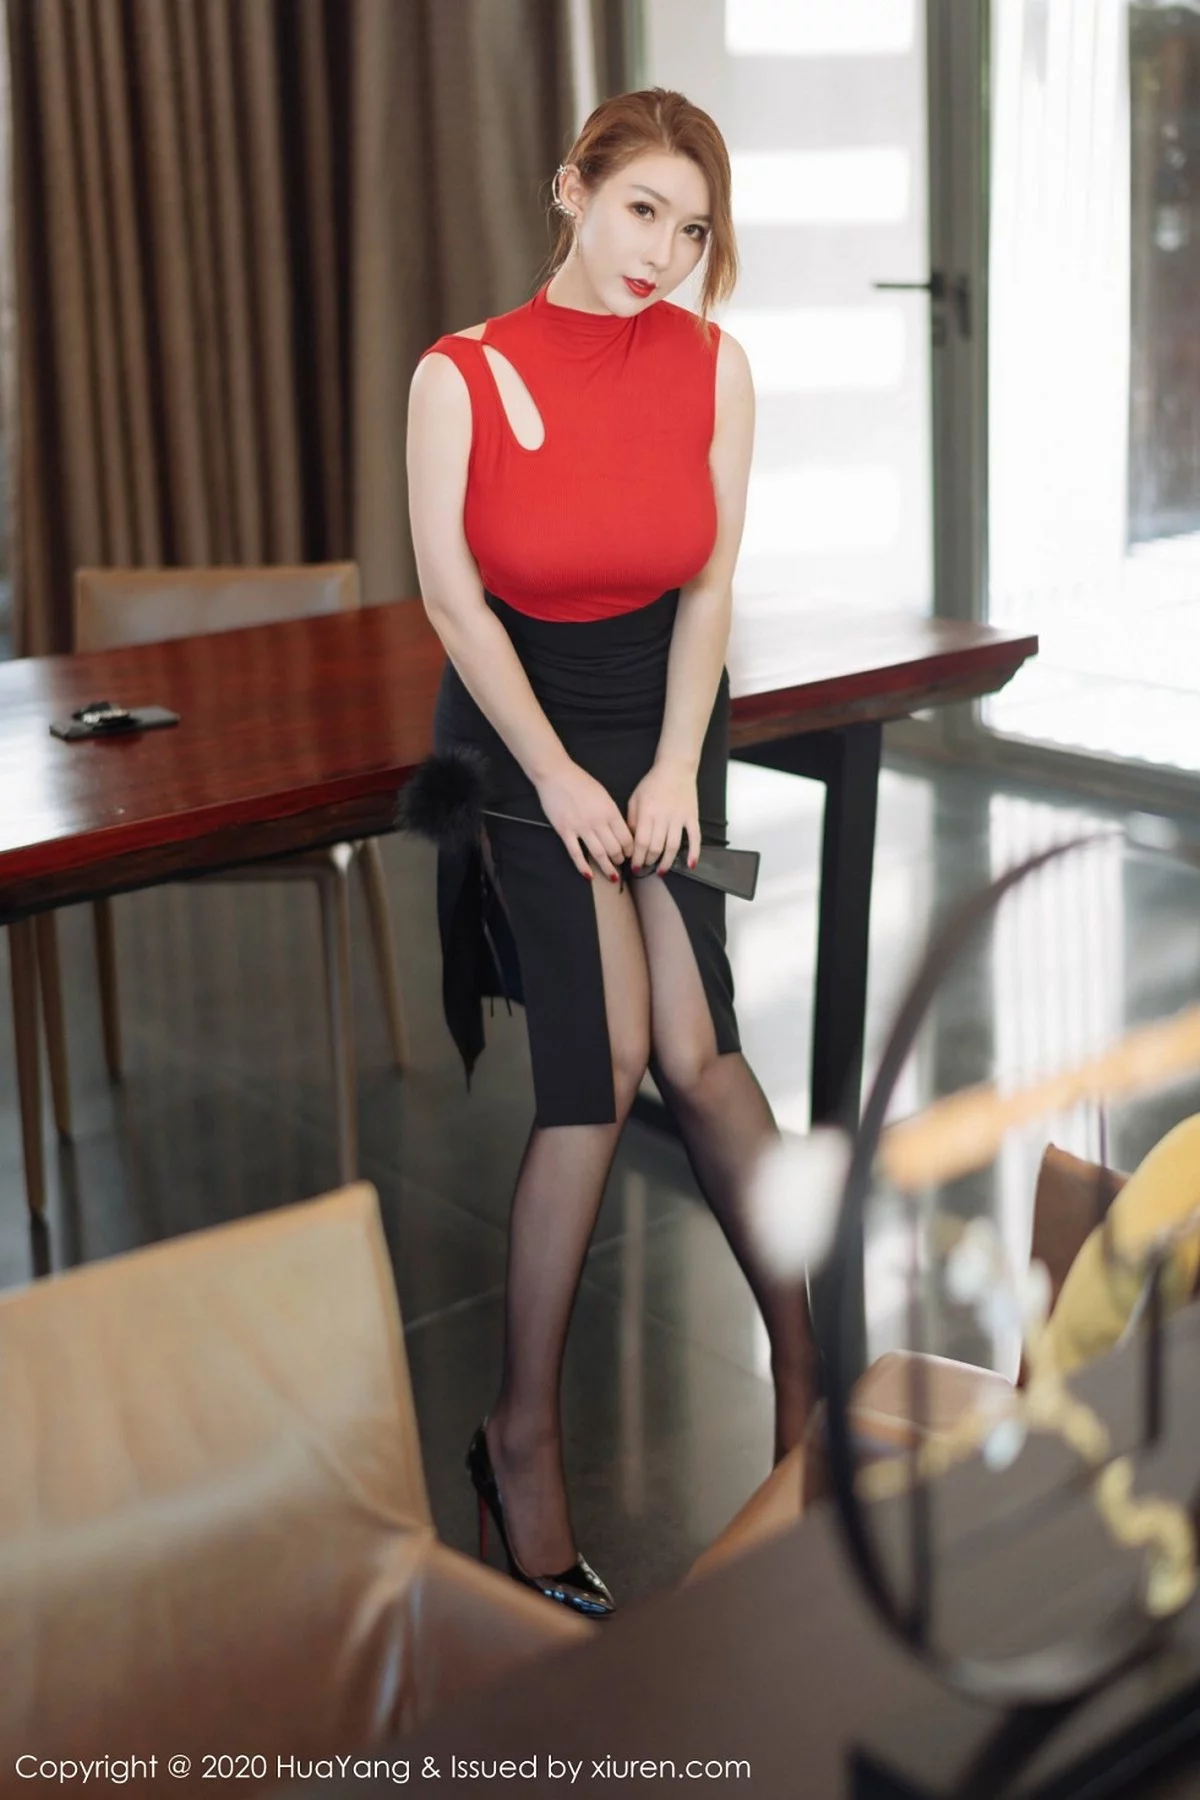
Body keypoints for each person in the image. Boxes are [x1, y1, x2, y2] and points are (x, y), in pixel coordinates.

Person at [405, 87, 818, 1619]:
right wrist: (567, 780)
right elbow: (455, 606)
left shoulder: (717, 367)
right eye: (642, 208)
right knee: (606, 1065)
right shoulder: (460, 373)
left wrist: (669, 765)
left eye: (693, 229)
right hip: (520, 736)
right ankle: (519, 1442)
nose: (663, 252)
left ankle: (808, 1383)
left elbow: (708, 590)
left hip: (663, 720)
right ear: (571, 189)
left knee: (699, 1053)